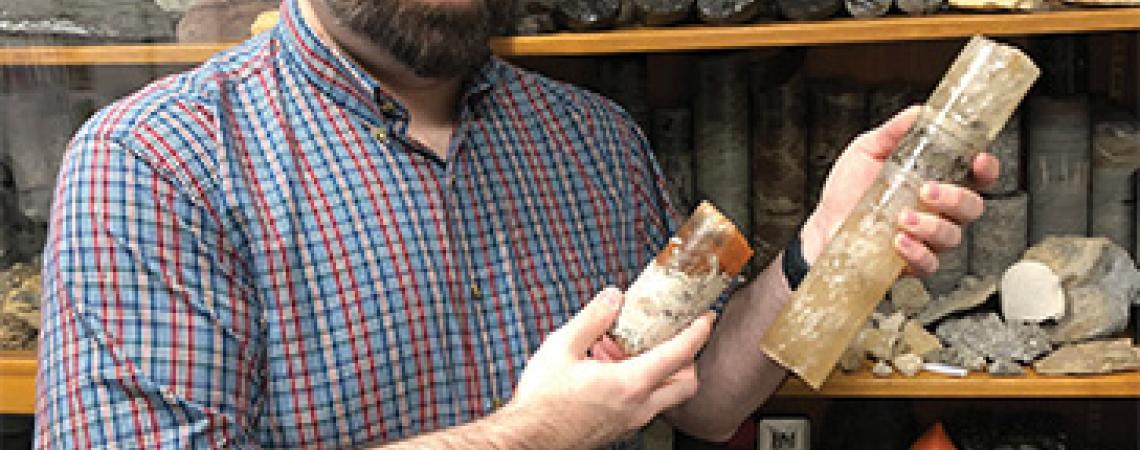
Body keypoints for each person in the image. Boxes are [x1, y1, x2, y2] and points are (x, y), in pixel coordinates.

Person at [34, 0, 998, 447]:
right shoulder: (155, 160)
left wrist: (827, 248)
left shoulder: (589, 139)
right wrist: (531, 433)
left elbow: (702, 403)